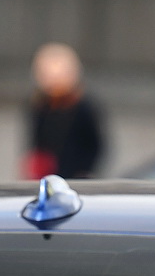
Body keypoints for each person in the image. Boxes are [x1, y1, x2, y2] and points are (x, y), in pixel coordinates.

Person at [23, 42, 105, 179]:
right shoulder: (39, 106)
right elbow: (36, 143)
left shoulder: (83, 107)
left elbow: (95, 145)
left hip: (76, 176)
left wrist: (85, 170)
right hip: (47, 174)